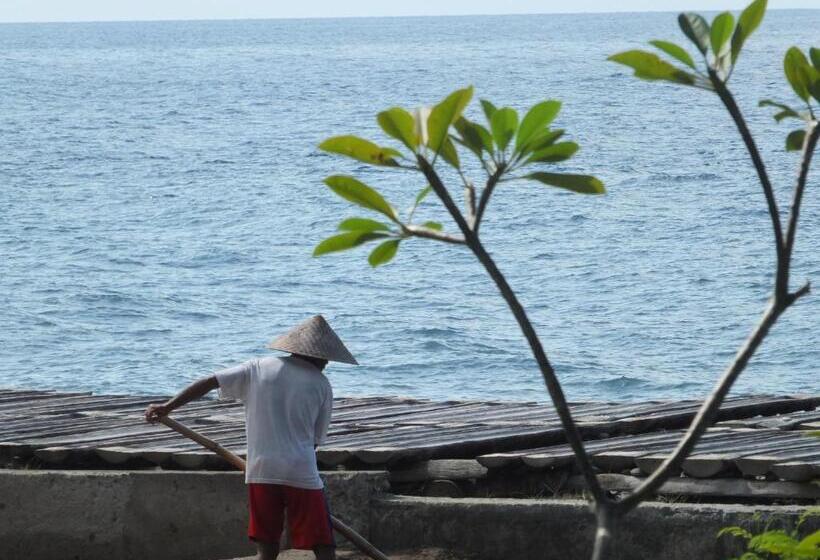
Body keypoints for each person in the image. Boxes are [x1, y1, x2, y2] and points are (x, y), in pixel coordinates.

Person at [144, 315, 358, 560]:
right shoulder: (321, 384)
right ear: (316, 355)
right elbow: (315, 441)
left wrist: (168, 407)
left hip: (261, 469)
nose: (327, 364)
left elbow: (209, 382)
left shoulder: (258, 367)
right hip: (301, 471)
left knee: (267, 546)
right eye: (326, 358)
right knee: (323, 545)